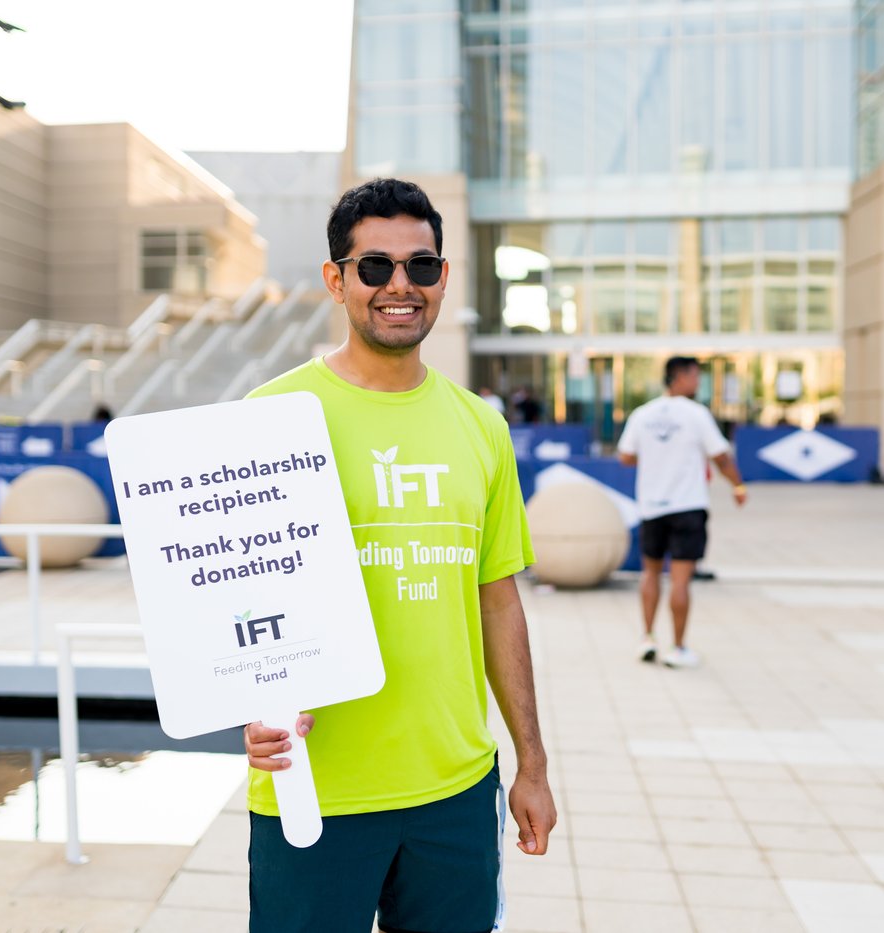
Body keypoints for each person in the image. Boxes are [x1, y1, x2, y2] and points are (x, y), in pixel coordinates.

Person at [243, 178, 556, 933]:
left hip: (453, 791)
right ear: (336, 279)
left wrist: (532, 765)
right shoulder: (273, 417)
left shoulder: (481, 426)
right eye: (375, 267)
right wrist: (247, 707)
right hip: (317, 790)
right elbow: (234, 596)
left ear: (442, 277)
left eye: (420, 266)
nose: (399, 286)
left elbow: (498, 601)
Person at [617, 356, 746, 669]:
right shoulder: (696, 414)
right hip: (687, 506)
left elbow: (625, 456)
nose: (698, 382)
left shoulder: (643, 414)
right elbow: (721, 457)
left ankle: (647, 638)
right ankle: (678, 647)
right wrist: (738, 487)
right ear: (680, 377)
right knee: (680, 580)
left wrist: (656, 458)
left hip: (652, 506)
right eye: (695, 375)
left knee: (650, 572)